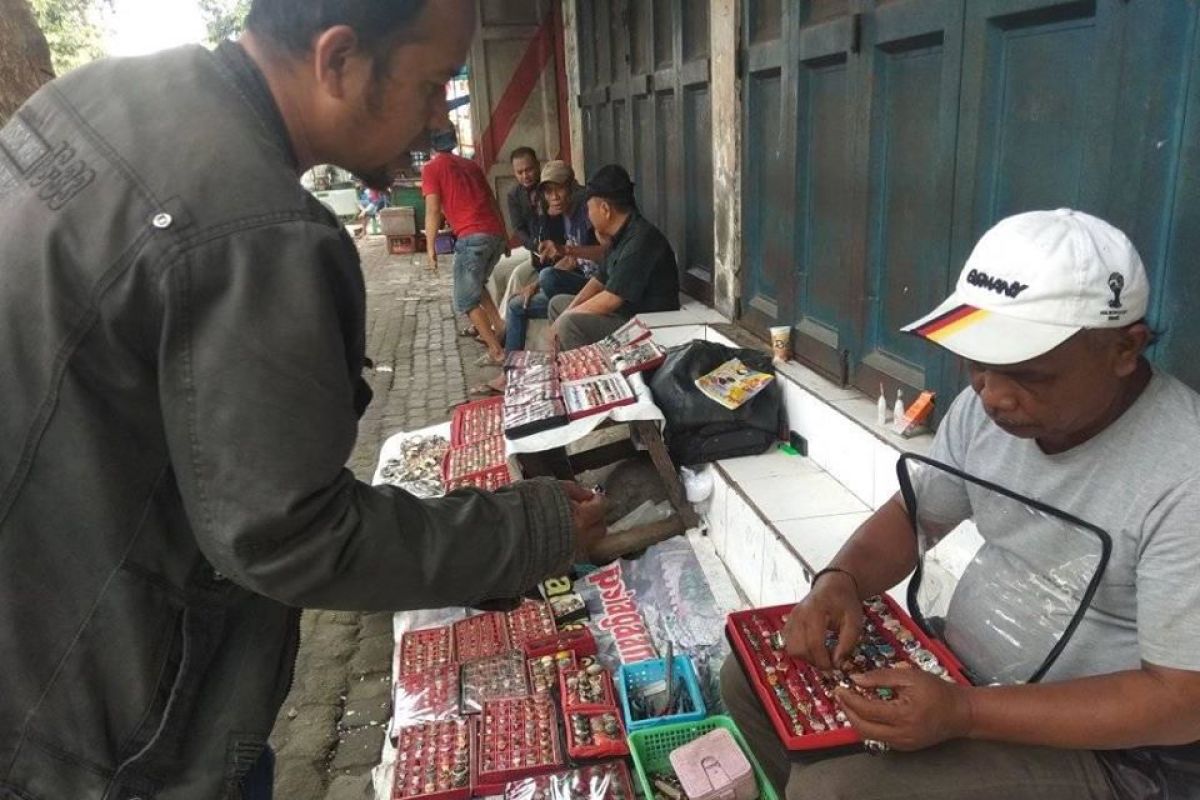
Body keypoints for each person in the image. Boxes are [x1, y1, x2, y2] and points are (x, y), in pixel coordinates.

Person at [0, 1, 606, 797]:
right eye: (431, 85)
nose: (437, 121)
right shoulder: (259, 228)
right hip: (116, 729)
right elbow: (291, 535)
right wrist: (529, 527)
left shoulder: (99, 97)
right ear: (339, 60)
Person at [721, 209, 1200, 800]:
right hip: (963, 673)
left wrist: (967, 714)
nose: (993, 396)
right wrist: (840, 579)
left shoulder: (1185, 475)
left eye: (1030, 373)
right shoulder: (985, 411)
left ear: (1124, 349)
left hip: (1117, 752)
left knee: (838, 791)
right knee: (750, 680)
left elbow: (1180, 701)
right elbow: (915, 513)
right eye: (977, 363)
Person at [549, 164, 680, 349]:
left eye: (588, 209)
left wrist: (565, 320)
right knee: (558, 305)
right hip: (623, 315)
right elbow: (598, 281)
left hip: (647, 326)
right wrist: (565, 314)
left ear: (605, 209)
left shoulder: (642, 239)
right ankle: (562, 366)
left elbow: (611, 300)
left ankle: (586, 375)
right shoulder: (619, 235)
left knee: (569, 324)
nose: (588, 215)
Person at [422, 122, 510, 365]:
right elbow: (492, 200)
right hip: (493, 235)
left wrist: (430, 247)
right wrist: (504, 235)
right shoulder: (471, 166)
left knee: (465, 299)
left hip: (472, 238)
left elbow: (432, 210)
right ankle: (501, 327)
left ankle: (496, 351)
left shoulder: (431, 168)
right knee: (476, 284)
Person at [503, 160, 605, 354]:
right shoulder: (564, 215)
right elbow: (571, 259)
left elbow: (608, 254)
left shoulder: (588, 212)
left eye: (560, 189)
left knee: (548, 277)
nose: (555, 197)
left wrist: (565, 250)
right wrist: (534, 286)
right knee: (516, 304)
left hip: (599, 289)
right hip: (579, 285)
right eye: (549, 192)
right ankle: (510, 372)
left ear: (572, 187)